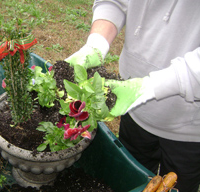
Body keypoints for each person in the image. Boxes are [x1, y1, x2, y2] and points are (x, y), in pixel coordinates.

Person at [65, 1, 200, 192]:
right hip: (134, 108)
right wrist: (97, 44)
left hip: (189, 128)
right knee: (130, 179)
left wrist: (148, 87)